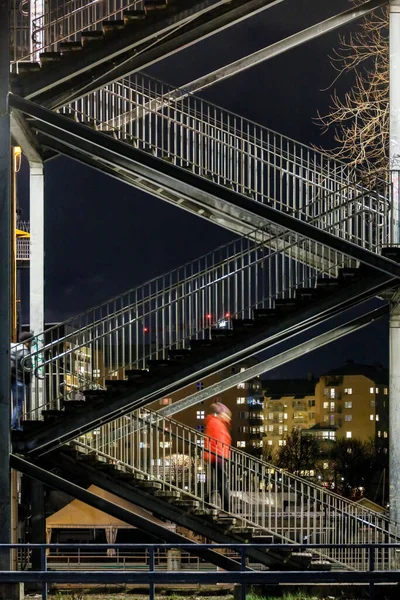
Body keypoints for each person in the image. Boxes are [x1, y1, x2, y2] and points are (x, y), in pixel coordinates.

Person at [204, 402, 232, 512]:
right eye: (227, 415)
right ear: (222, 414)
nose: (228, 417)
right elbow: (217, 441)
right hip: (218, 456)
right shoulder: (216, 423)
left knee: (219, 482)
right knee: (223, 481)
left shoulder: (217, 423)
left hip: (218, 456)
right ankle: (227, 508)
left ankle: (206, 500)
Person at [11, 331, 33, 430]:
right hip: (20, 380)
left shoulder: (13, 348)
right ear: (27, 341)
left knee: (15, 403)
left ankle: (15, 425)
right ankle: (14, 425)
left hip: (12, 378)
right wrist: (28, 382)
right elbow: (28, 369)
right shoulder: (25, 352)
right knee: (19, 404)